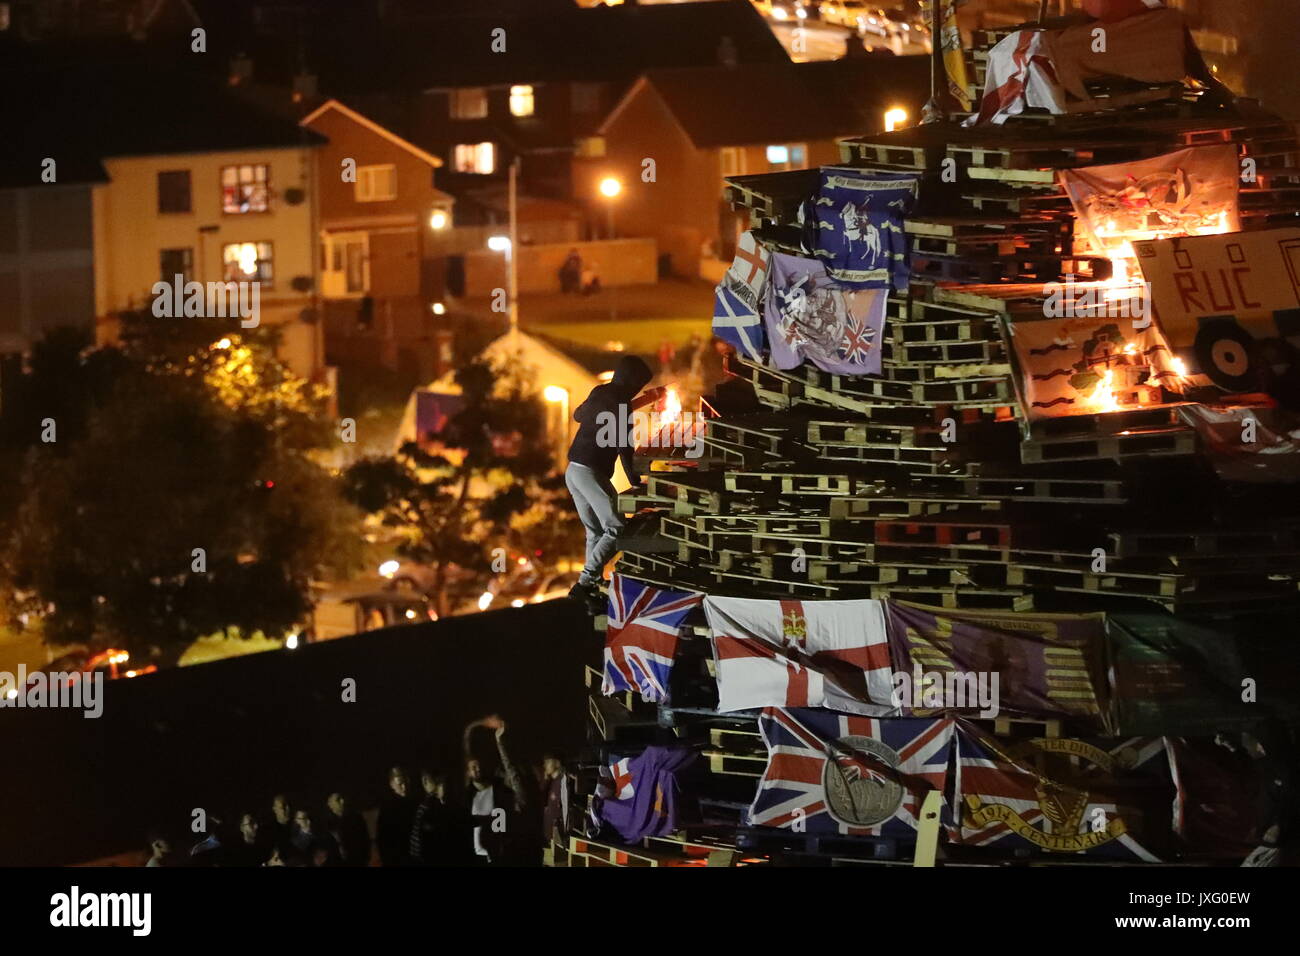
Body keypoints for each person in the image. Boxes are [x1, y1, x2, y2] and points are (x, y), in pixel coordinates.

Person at [565, 355, 664, 611]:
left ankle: (592, 586)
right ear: (633, 381)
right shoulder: (619, 403)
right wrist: (635, 480)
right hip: (590, 472)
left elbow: (578, 414)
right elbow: (624, 447)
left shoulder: (601, 392)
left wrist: (647, 399)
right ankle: (584, 585)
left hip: (573, 471)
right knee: (617, 527)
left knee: (595, 532)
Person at [463, 715, 530, 864]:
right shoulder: (466, 797)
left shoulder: (500, 793)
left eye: (478, 765)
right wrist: (478, 723)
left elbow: (513, 773)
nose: (477, 769)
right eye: (473, 767)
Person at [410, 771, 477, 866]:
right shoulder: (428, 809)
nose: (445, 792)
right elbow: (421, 844)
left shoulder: (459, 809)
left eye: (449, 788)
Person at [376, 766, 418, 866]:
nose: (404, 787)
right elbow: (383, 838)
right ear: (392, 784)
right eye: (400, 784)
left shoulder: (414, 803)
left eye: (406, 783)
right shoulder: (387, 808)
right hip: (397, 858)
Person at [325, 792, 371, 867]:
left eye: (332, 803)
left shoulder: (355, 818)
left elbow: (364, 838)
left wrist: (366, 856)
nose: (330, 806)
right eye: (330, 804)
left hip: (357, 859)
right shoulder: (331, 823)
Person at [269, 794, 294, 859]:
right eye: (283, 806)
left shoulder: (297, 826)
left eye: (289, 805)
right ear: (275, 809)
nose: (288, 809)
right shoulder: (269, 831)